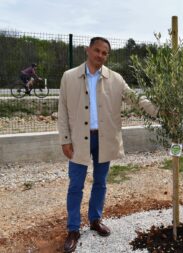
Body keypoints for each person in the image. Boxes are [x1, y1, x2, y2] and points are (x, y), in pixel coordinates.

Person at [58, 37, 158, 253]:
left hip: (105, 138)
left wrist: (159, 111)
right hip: (78, 139)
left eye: (105, 53)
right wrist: (64, 139)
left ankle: (95, 220)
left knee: (100, 183)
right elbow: (63, 111)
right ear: (87, 50)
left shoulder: (115, 78)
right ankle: (73, 229)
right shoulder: (69, 77)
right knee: (76, 185)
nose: (100, 56)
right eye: (97, 51)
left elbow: (136, 99)